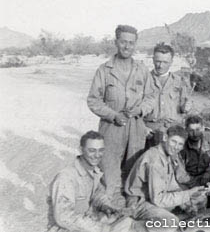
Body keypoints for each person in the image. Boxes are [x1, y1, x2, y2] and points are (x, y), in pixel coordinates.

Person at [87, 25, 155, 204]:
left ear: (135, 45)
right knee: (109, 173)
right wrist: (112, 115)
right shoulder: (104, 70)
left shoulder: (142, 70)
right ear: (116, 42)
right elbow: (93, 100)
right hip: (111, 128)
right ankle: (109, 205)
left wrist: (140, 110)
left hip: (136, 128)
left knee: (134, 172)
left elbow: (151, 97)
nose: (127, 47)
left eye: (131, 43)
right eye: (123, 42)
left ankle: (132, 208)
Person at [48, 131, 134, 232]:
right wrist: (101, 228)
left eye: (101, 150)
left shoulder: (94, 171)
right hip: (67, 228)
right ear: (81, 150)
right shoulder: (66, 177)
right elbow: (64, 217)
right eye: (92, 150)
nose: (97, 155)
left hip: (88, 222)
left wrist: (107, 207)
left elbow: (98, 195)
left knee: (128, 222)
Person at [124, 125, 207, 229]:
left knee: (200, 199)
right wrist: (188, 194)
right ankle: (132, 227)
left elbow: (172, 186)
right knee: (171, 222)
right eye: (174, 142)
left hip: (153, 197)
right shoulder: (154, 160)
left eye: (180, 144)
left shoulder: (166, 155)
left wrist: (188, 203)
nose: (176, 147)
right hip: (139, 203)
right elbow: (158, 199)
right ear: (165, 138)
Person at [143, 43, 192, 148]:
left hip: (172, 133)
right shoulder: (143, 80)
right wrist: (143, 128)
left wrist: (186, 107)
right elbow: (135, 110)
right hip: (150, 133)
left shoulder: (179, 81)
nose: (160, 65)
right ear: (153, 60)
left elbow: (183, 109)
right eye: (158, 61)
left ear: (171, 62)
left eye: (165, 62)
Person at [177, 115, 210, 188]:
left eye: (198, 129)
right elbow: (180, 173)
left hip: (206, 174)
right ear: (186, 130)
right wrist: (195, 184)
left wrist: (209, 171)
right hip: (189, 178)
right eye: (191, 130)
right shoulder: (182, 144)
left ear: (203, 128)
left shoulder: (209, 138)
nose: (195, 134)